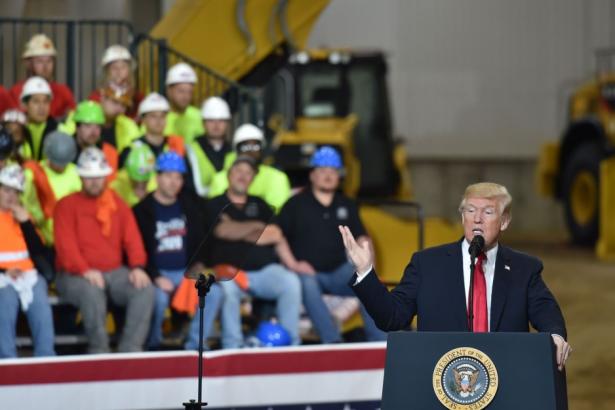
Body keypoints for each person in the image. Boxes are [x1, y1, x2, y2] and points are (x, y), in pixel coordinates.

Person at [339, 182, 572, 371]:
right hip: (441, 385)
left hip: (505, 381)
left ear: (505, 221)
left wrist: (555, 336)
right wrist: (365, 272)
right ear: (463, 218)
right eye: (470, 210)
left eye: (488, 212)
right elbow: (392, 317)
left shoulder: (524, 268)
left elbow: (546, 312)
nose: (477, 218)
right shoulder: (426, 264)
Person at [277, 146, 386, 343]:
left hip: (339, 271)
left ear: (339, 176)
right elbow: (278, 236)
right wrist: (293, 264)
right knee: (307, 283)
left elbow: (362, 238)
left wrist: (369, 268)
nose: (328, 175)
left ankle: (380, 341)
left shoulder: (347, 204)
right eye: (322, 171)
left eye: (333, 171)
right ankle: (333, 341)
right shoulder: (295, 204)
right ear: (312, 175)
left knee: (367, 282)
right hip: (308, 272)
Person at [54, 147, 154, 353]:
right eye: (89, 177)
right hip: (74, 275)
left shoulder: (117, 203)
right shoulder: (66, 205)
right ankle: (100, 352)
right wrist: (85, 270)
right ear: (81, 177)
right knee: (91, 292)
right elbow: (66, 248)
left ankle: (130, 351)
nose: (94, 181)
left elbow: (132, 239)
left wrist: (137, 267)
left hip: (114, 272)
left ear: (106, 177)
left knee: (144, 289)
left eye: (99, 177)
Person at [208, 156, 302, 348]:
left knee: (291, 282)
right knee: (227, 290)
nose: (243, 176)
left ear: (253, 178)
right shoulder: (214, 204)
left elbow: (276, 234)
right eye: (238, 171)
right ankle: (232, 347)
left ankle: (292, 345)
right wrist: (258, 227)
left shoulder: (260, 203)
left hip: (264, 271)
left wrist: (237, 229)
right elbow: (222, 231)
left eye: (248, 173)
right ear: (229, 175)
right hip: (229, 272)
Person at [133, 151, 223, 350]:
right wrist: (155, 276)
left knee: (213, 293)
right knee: (156, 298)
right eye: (168, 176)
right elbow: (136, 249)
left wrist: (197, 266)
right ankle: (152, 345)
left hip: (185, 273)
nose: (174, 182)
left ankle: (194, 344)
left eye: (178, 177)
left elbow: (202, 242)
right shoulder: (141, 210)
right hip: (156, 275)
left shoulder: (190, 208)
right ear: (157, 178)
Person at [0, 164, 55, 358]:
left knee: (40, 297)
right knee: (5, 299)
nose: (11, 196)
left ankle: (46, 358)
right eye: (6, 190)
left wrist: (26, 224)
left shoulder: (24, 216)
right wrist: (4, 272)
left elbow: (40, 254)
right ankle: (6, 361)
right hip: (2, 278)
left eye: (16, 192)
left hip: (28, 276)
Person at [208, 124, 291, 212]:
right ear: (236, 150)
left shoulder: (278, 177)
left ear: (262, 150)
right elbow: (214, 211)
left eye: (255, 146)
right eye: (245, 146)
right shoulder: (219, 178)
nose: (250, 151)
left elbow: (279, 212)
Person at [22, 131, 81, 246]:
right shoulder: (33, 173)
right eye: (56, 162)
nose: (60, 166)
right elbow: (26, 205)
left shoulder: (78, 173)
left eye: (64, 163)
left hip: (73, 238)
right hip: (43, 240)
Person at [9, 34, 76, 119]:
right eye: (39, 61)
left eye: (49, 61)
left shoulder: (63, 92)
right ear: (28, 64)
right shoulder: (16, 92)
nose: (45, 67)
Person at [187, 96, 234, 197]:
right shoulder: (191, 149)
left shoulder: (234, 151)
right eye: (211, 120)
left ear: (227, 123)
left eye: (221, 120)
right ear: (203, 123)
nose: (216, 125)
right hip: (199, 206)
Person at [89, 45, 143, 119]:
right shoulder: (97, 96)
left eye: (123, 67)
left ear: (129, 70)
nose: (119, 71)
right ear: (107, 72)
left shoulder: (137, 97)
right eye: (114, 67)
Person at [69, 101, 119, 179]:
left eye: (97, 126)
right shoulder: (65, 152)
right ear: (77, 128)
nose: (94, 132)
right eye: (88, 126)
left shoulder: (110, 153)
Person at [164, 62, 204, 144]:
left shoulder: (200, 116)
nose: (186, 96)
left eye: (189, 92)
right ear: (169, 90)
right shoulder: (157, 117)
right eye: (181, 91)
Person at [20, 76, 58, 161]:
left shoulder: (58, 130)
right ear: (25, 105)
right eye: (36, 101)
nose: (42, 107)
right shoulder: (17, 131)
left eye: (45, 102)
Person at [110, 141, 157, 206]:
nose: (140, 184)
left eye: (144, 181)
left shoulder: (158, 184)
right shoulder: (116, 186)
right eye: (136, 180)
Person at [98, 86, 140, 154]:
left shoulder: (129, 125)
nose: (119, 108)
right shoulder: (84, 120)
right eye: (115, 102)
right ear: (102, 99)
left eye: (123, 105)